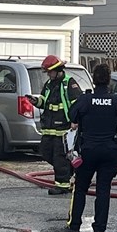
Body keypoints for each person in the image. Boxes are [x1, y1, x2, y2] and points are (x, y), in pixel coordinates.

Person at [56, 63, 117, 232]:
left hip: (88, 150)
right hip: (109, 151)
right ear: (109, 80)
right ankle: (99, 229)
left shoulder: (85, 99)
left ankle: (74, 226)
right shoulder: (116, 100)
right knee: (103, 190)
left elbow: (71, 116)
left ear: (93, 80)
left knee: (80, 188)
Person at [27, 55, 82, 195]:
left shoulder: (69, 83)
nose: (48, 74)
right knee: (46, 153)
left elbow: (77, 105)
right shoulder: (49, 84)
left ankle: (62, 185)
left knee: (60, 157)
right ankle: (70, 169)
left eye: (50, 72)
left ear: (57, 70)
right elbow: (44, 101)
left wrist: (75, 121)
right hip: (49, 128)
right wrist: (35, 101)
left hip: (63, 129)